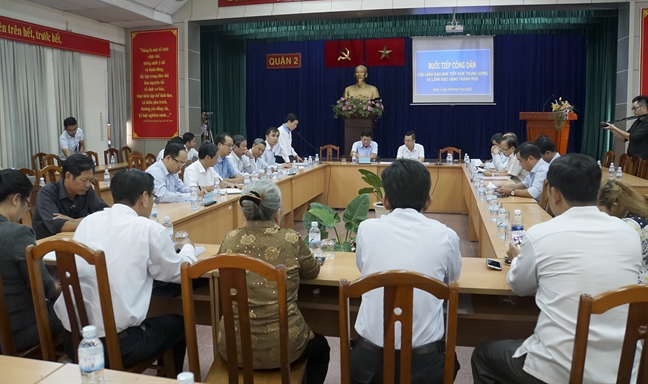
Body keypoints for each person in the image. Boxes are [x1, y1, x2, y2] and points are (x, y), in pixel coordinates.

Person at [472, 154, 643, 384]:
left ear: (554, 193)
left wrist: (519, 259)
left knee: (484, 355)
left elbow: (519, 287)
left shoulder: (542, 234)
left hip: (559, 370)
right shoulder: (628, 234)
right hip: (625, 368)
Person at [54, 169, 196, 372]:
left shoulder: (89, 222)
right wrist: (188, 248)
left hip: (74, 340)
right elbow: (176, 273)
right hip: (118, 347)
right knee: (178, 325)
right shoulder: (148, 229)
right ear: (144, 197)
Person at [352, 158, 461, 382]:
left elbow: (363, 268)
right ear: (428, 202)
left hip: (368, 366)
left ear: (385, 201)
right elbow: (452, 279)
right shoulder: (446, 235)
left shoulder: (366, 229)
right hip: (424, 369)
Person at [217, 181, 329, 383]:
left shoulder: (229, 239)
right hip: (284, 347)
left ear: (245, 212)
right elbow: (313, 271)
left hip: (233, 346)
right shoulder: (290, 239)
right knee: (321, 348)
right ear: (277, 213)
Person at [0, 169, 63, 353]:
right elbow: (47, 289)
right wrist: (64, 287)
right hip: (19, 331)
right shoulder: (16, 234)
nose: (26, 210)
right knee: (77, 307)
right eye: (28, 204)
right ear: (15, 199)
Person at [32, 154, 108, 239]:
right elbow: (57, 225)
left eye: (90, 180)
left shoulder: (86, 190)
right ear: (68, 176)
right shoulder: (47, 193)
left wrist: (73, 221)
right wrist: (90, 220)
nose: (88, 185)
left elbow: (105, 214)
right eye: (84, 180)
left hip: (77, 241)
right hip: (48, 245)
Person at [598, 179, 648, 282]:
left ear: (614, 207)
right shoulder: (639, 221)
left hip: (637, 288)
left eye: (600, 211)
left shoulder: (626, 227)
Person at [605, 95, 648, 159]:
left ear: (644, 107)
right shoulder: (637, 121)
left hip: (643, 161)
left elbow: (632, 137)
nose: (633, 111)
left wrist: (614, 128)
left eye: (635, 108)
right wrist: (611, 129)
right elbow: (624, 138)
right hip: (632, 158)